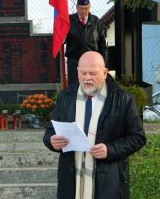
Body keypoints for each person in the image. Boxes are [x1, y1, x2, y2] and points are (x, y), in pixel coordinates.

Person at [43, 51, 146, 199]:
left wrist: (110, 149)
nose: (87, 78)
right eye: (83, 73)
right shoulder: (65, 98)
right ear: (77, 71)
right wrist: (52, 141)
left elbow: (138, 137)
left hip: (108, 182)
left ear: (104, 73)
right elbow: (50, 132)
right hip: (72, 183)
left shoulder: (122, 99)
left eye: (93, 73)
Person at [65, 0, 107, 85]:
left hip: (92, 63)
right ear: (77, 7)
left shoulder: (96, 21)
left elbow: (102, 43)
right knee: (74, 88)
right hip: (74, 61)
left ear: (90, 7)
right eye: (81, 8)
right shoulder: (68, 20)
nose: (84, 11)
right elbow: (63, 39)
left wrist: (103, 61)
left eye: (86, 8)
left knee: (91, 88)